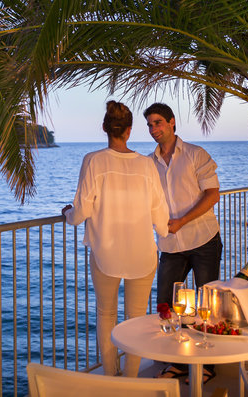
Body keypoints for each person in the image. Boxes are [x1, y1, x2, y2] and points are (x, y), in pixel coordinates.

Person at [62, 101, 169, 377]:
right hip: (142, 253)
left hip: (105, 253)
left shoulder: (94, 161)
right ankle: (131, 378)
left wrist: (68, 215)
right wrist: (164, 231)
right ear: (129, 131)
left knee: (106, 314)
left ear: (104, 128)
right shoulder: (147, 165)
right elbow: (160, 213)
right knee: (137, 318)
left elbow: (81, 211)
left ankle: (110, 374)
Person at [145, 102, 221, 383]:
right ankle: (175, 362)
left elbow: (213, 194)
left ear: (172, 122)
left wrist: (182, 221)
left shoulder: (195, 154)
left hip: (203, 239)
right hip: (170, 244)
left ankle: (208, 365)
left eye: (158, 122)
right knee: (164, 303)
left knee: (207, 304)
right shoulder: (148, 163)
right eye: (150, 124)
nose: (153, 129)